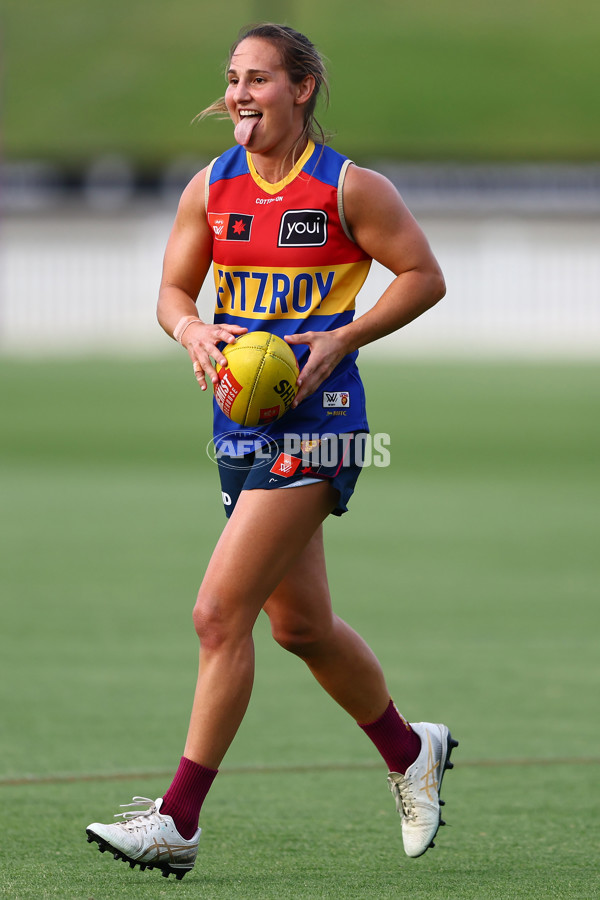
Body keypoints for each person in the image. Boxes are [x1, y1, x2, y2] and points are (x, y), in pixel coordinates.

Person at [86, 23, 456, 880]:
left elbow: (424, 276)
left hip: (321, 418)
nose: (239, 95)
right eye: (231, 80)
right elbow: (173, 290)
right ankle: (411, 750)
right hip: (238, 418)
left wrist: (343, 337)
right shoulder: (211, 188)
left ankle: (177, 820)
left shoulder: (348, 188)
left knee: (219, 614)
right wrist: (191, 330)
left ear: (302, 90)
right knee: (300, 626)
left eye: (257, 79)